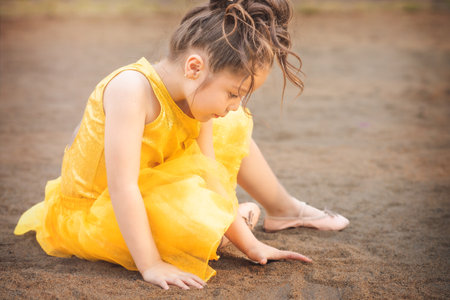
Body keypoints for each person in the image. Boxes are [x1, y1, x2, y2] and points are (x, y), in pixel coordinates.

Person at [14, 0, 349, 291]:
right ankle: (227, 225)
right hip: (100, 208)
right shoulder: (131, 89)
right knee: (193, 223)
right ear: (194, 67)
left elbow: (212, 176)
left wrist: (251, 246)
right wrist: (151, 265)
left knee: (229, 125)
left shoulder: (195, 99)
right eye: (234, 92)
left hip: (152, 185)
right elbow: (122, 188)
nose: (236, 102)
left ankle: (252, 221)